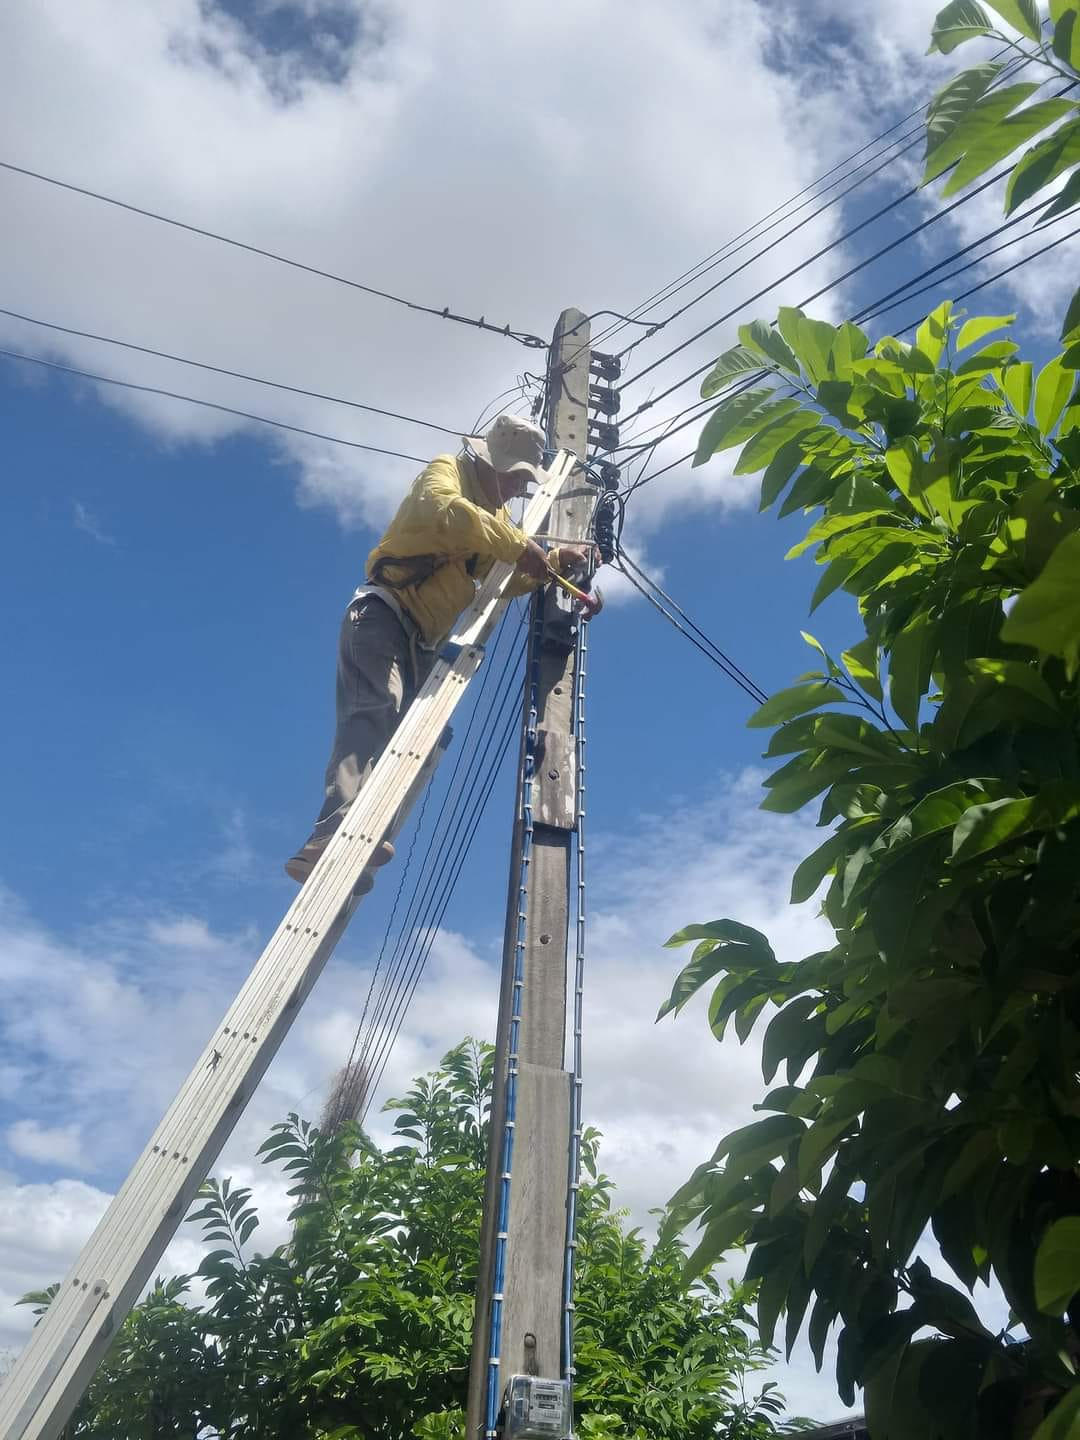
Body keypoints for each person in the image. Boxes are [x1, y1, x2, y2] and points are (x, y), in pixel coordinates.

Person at [285, 413, 596, 885]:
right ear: (490, 463)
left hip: (424, 640)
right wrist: (518, 545)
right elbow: (444, 511)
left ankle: (367, 834)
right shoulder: (445, 473)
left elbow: (504, 579)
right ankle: (331, 831)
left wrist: (555, 564)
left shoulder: (497, 520)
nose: (516, 489)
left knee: (426, 738)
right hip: (384, 614)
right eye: (513, 477)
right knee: (377, 706)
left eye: (522, 481)